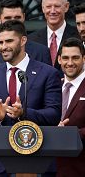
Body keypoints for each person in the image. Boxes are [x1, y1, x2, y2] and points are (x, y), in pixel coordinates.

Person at [0, 20, 62, 176]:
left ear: (23, 40)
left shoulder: (47, 73)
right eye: (0, 42)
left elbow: (54, 114)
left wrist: (24, 113)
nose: (3, 46)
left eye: (9, 41)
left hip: (36, 160)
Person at [0, 0, 52, 100]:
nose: (13, 22)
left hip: (31, 113)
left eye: (17, 18)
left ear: (24, 17)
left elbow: (48, 90)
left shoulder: (41, 52)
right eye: (8, 18)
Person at [56, 37, 85, 176]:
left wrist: (71, 134)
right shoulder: (52, 86)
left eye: (75, 58)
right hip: (48, 167)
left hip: (79, 167)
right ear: (59, 59)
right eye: (65, 58)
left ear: (84, 59)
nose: (70, 63)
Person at [29, 0, 80, 68]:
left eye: (57, 6)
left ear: (66, 7)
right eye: (48, 6)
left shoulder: (79, 36)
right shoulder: (31, 39)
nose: (52, 11)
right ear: (43, 8)